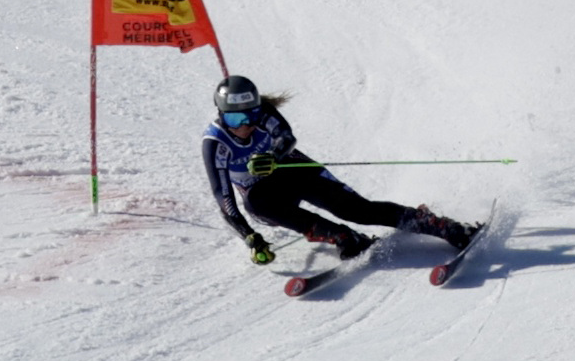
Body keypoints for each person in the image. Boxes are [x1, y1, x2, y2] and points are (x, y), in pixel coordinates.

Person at [203, 76, 475, 265]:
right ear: (221, 115)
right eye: (234, 118)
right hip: (267, 197)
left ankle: (447, 227)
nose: (244, 125)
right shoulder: (216, 145)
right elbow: (223, 198)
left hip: (293, 170)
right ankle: (343, 237)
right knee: (256, 203)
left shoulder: (263, 113)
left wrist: (274, 156)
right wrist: (249, 236)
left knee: (357, 210)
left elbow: (286, 138)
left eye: (250, 115)